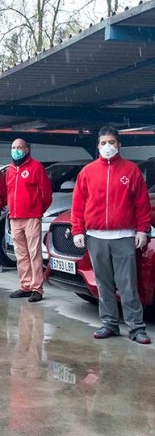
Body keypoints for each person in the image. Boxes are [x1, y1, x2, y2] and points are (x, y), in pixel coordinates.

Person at [71, 126, 151, 344]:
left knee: (127, 284)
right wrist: (78, 230)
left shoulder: (131, 171)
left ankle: (136, 327)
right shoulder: (87, 172)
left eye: (112, 142)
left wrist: (142, 230)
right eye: (103, 143)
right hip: (96, 237)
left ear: (119, 145)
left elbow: (141, 204)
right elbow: (78, 204)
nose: (108, 147)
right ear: (98, 146)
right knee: (103, 284)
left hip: (124, 236)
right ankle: (109, 323)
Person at [6, 138, 52, 303]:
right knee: (21, 254)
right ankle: (25, 286)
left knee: (34, 254)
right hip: (15, 217)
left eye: (19, 147)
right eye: (13, 147)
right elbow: (9, 192)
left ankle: (37, 288)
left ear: (26, 150)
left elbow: (46, 192)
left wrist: (39, 211)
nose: (15, 150)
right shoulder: (10, 169)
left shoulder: (36, 167)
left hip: (31, 217)